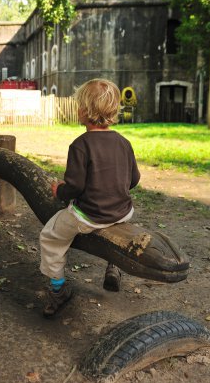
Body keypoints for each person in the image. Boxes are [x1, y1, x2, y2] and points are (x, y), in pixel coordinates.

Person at [40, 78, 140, 317]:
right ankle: (113, 266)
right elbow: (134, 179)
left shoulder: (80, 145)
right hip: (122, 211)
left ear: (84, 111)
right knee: (116, 229)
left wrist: (59, 192)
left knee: (50, 237)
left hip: (90, 216)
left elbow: (74, 187)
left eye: (78, 106)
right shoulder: (124, 143)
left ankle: (58, 290)